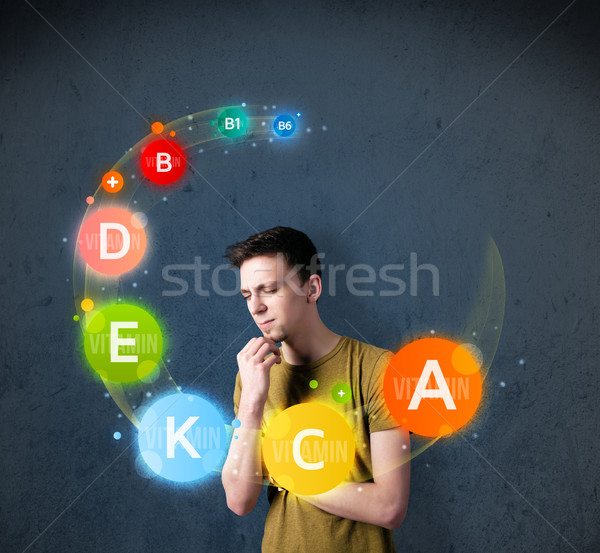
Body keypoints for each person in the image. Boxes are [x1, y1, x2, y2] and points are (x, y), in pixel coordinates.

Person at [221, 226, 410, 553]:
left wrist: (286, 473)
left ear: (311, 288)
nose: (256, 307)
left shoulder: (378, 369)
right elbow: (239, 500)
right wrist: (251, 404)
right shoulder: (252, 377)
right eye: (247, 295)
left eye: (268, 289)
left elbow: (389, 507)